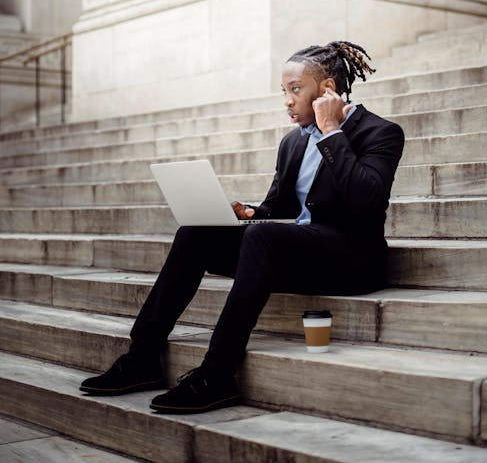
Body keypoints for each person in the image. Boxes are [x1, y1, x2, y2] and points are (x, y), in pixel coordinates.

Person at [80, 40, 405, 414]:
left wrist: (331, 130)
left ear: (328, 88)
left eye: (295, 90)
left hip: (351, 260)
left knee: (263, 236)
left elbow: (366, 201)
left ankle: (217, 374)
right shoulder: (293, 143)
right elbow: (278, 208)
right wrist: (248, 212)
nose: (286, 100)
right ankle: (142, 357)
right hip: (296, 252)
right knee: (197, 231)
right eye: (283, 91)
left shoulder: (380, 133)